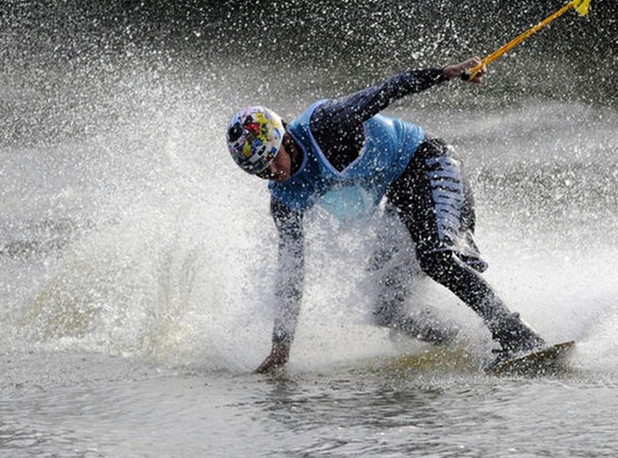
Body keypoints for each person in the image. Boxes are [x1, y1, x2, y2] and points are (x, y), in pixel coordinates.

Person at [226, 57, 546, 373]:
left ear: (283, 137)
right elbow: (290, 270)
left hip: (429, 162)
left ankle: (519, 338)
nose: (273, 172)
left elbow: (388, 89)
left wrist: (447, 73)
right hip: (399, 193)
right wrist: (281, 347)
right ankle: (469, 342)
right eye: (260, 171)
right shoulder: (284, 199)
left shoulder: (327, 124)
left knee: (436, 257)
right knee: (386, 311)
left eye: (272, 159)